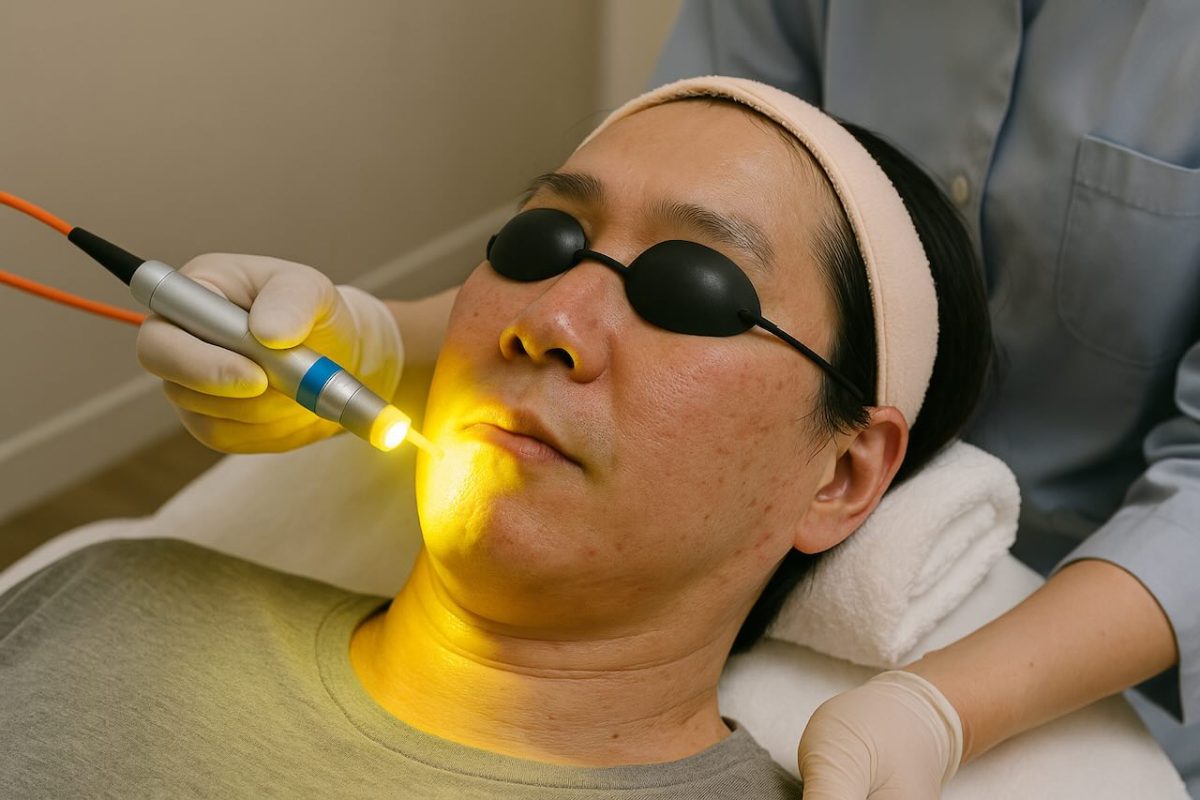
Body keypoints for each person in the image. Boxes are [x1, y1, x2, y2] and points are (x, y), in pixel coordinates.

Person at [1, 78, 992, 796]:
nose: (547, 319)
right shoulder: (116, 590)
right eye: (540, 239)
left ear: (843, 472)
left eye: (689, 284)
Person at [650, 1, 1200, 797]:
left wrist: (938, 709)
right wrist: (405, 330)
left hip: (1122, 630)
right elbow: (660, 214)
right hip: (776, 555)